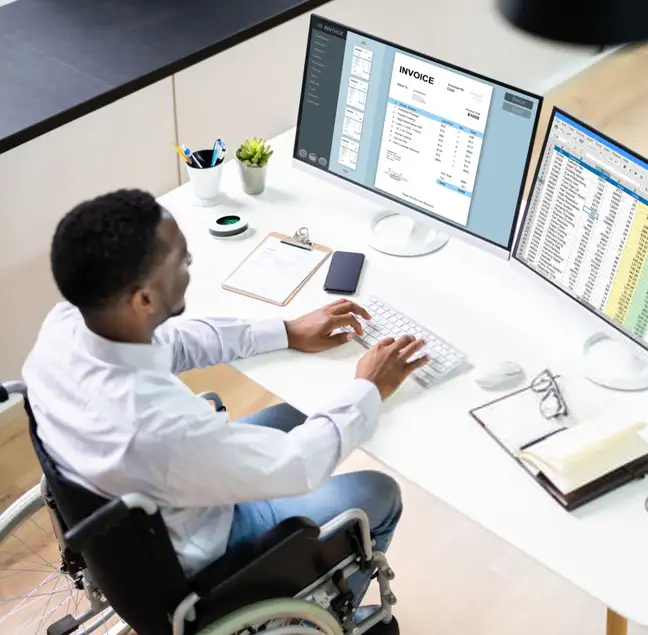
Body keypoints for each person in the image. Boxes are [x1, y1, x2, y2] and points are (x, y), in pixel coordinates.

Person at [23, 189, 428, 633]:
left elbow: (172, 341)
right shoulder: (155, 425)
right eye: (181, 260)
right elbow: (296, 466)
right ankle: (329, 614)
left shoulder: (65, 328)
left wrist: (285, 330)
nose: (190, 262)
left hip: (143, 515)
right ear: (142, 299)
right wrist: (371, 387)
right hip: (209, 549)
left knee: (298, 411)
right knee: (379, 492)